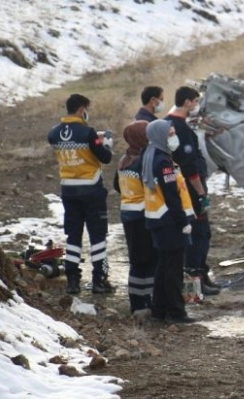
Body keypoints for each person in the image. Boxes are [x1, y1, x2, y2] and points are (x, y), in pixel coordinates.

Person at [47, 94, 115, 294]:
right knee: (97, 236)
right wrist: (106, 143)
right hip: (91, 189)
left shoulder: (54, 133)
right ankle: (98, 280)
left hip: (68, 190)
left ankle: (73, 281)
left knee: (73, 236)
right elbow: (105, 157)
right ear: (81, 109)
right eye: (86, 108)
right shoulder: (88, 132)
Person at [165, 86, 220, 296]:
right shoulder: (181, 129)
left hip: (178, 188)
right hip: (190, 189)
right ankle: (196, 278)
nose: (197, 106)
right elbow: (190, 168)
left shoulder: (166, 123)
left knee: (193, 232)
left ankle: (199, 274)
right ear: (187, 102)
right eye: (195, 101)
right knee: (200, 233)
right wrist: (201, 194)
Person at [142, 119, 196, 324]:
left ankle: (159, 309)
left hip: (159, 220)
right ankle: (176, 311)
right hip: (169, 221)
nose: (174, 138)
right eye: (170, 134)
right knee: (173, 269)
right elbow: (171, 194)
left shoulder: (151, 155)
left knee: (164, 267)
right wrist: (183, 221)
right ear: (161, 136)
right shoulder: (163, 162)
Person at [114, 120, 158, 314]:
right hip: (142, 215)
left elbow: (117, 186)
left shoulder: (124, 159)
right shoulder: (143, 160)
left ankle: (137, 301)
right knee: (147, 260)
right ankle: (144, 302)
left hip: (128, 213)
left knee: (137, 259)